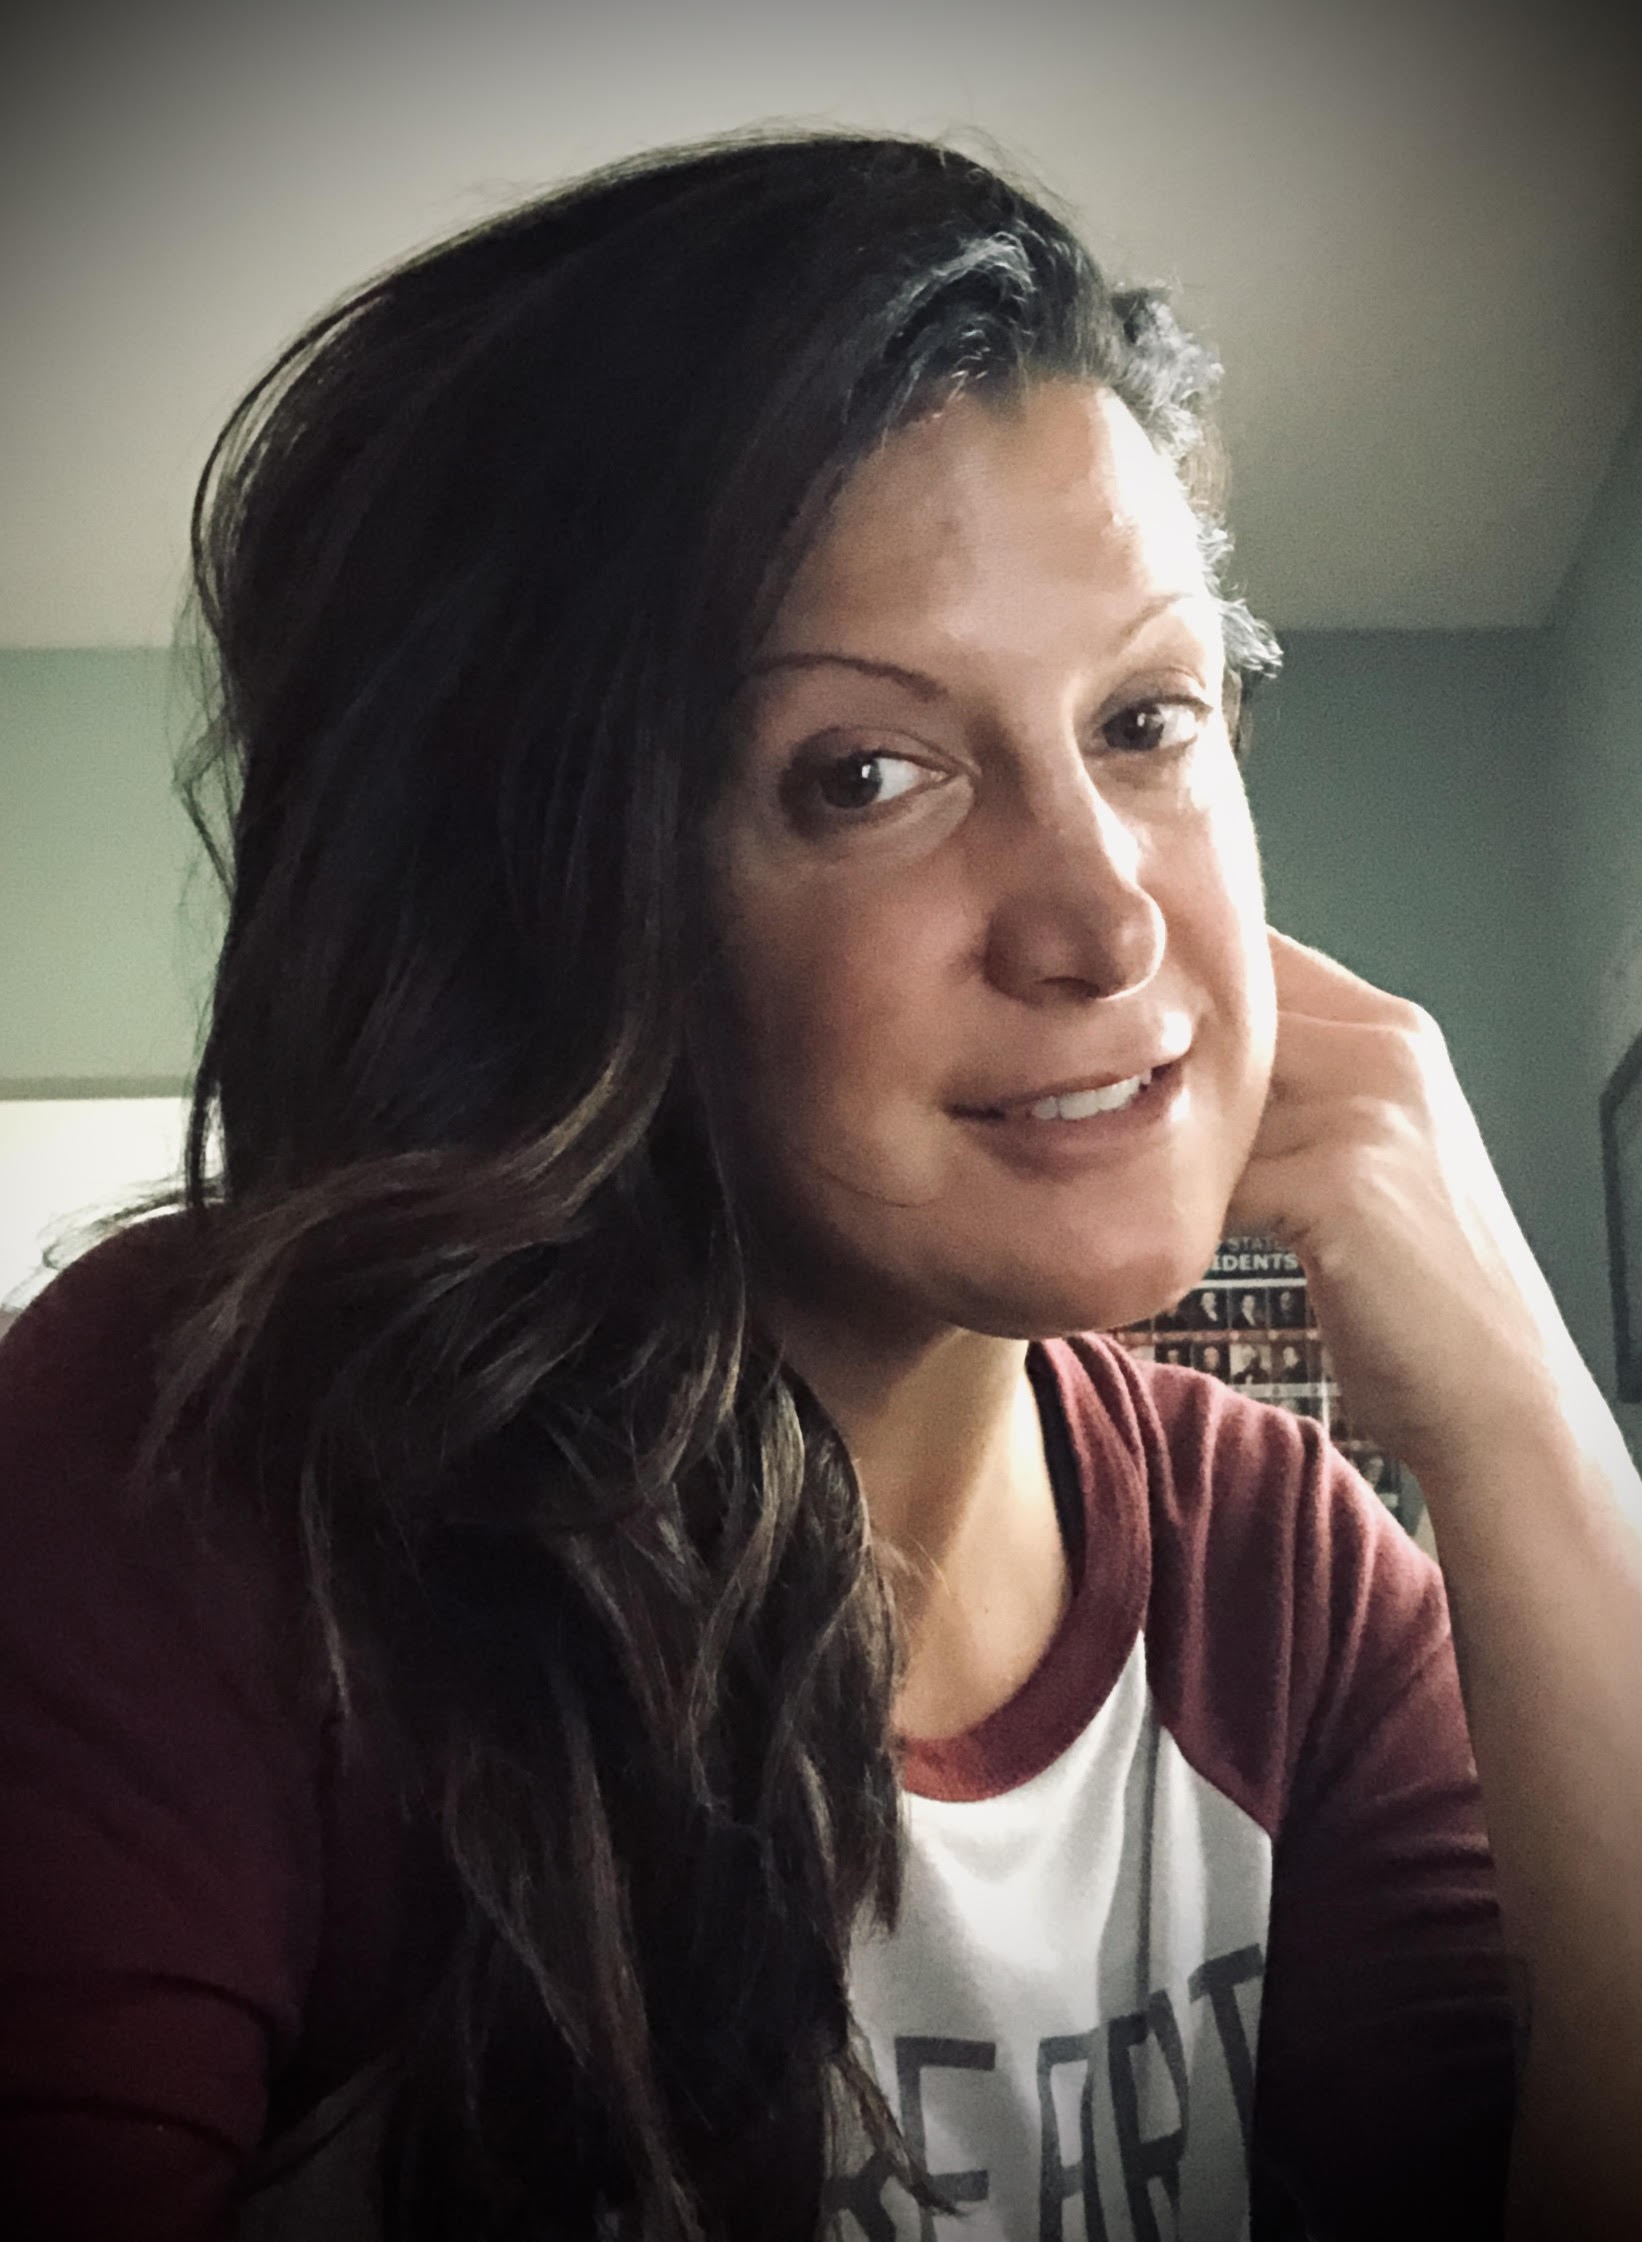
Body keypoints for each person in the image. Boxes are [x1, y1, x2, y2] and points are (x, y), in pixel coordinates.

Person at [1, 131, 1639, 2242]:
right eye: (866, 774)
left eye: (1146, 719)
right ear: (565, 898)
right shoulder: (206, 1473)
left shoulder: (1279, 1585)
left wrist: (1522, 1416)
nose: (1100, 919)